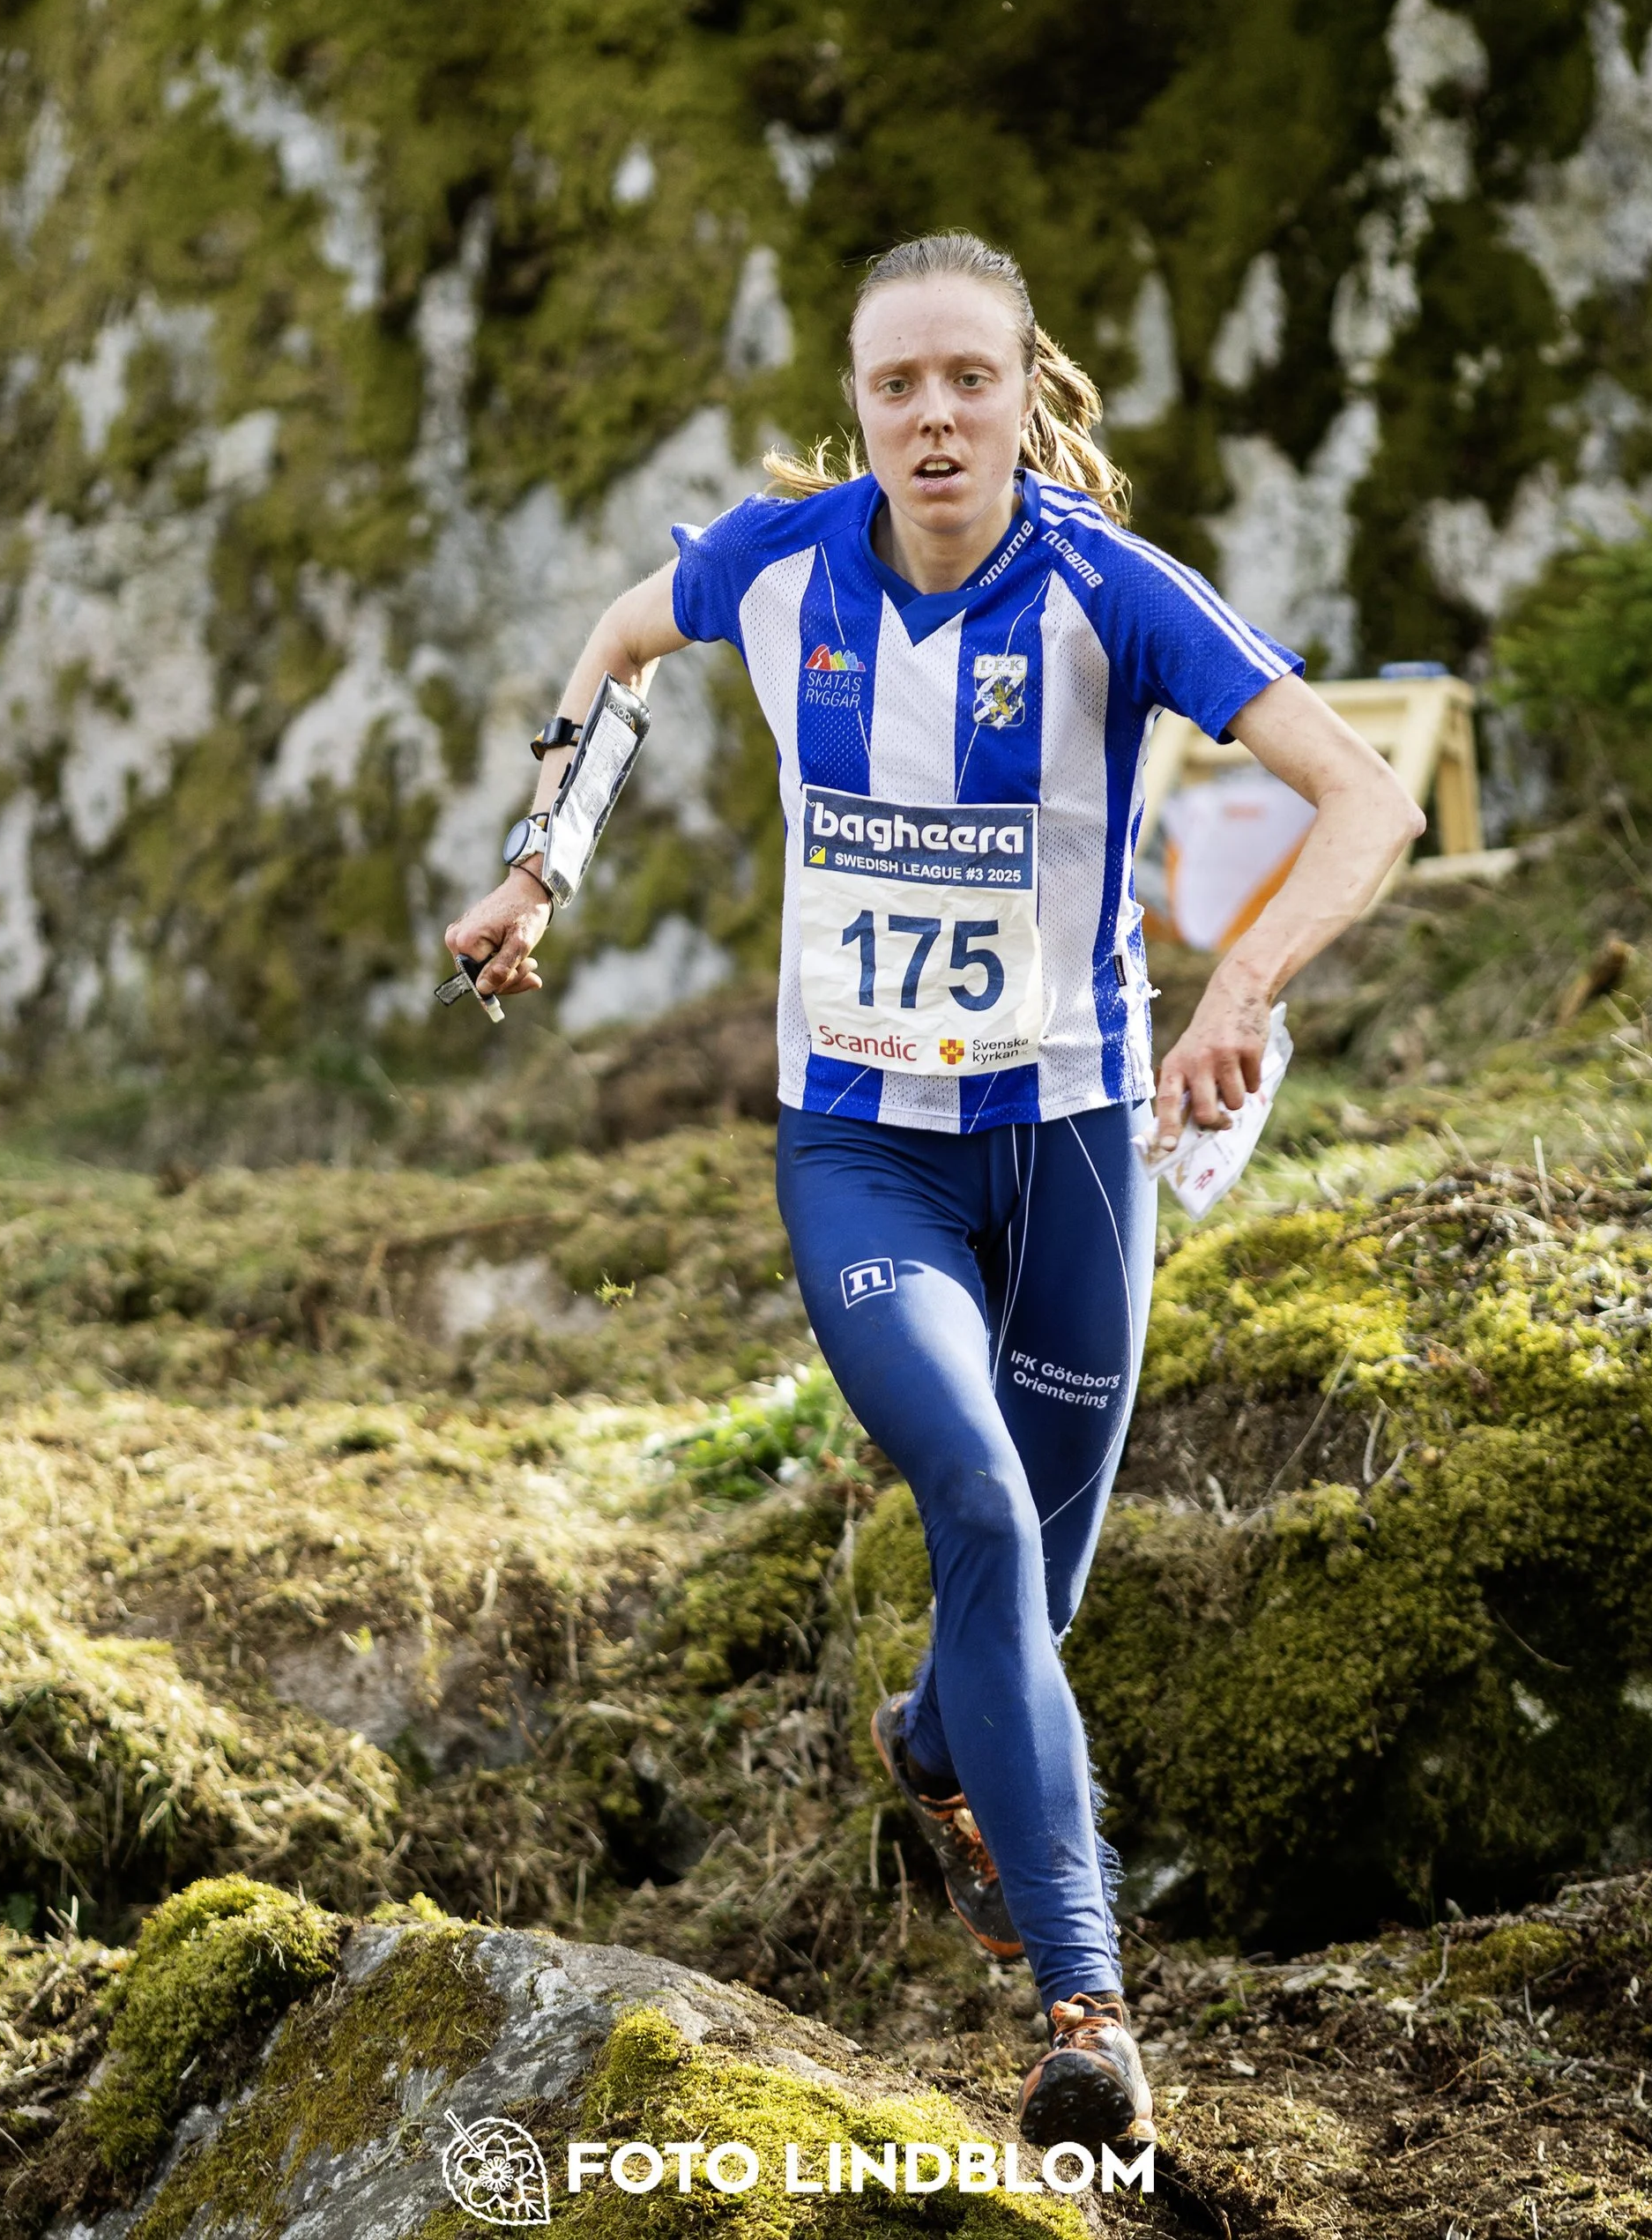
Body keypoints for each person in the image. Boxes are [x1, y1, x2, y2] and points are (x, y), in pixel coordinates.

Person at [446, 231, 1424, 2150]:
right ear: (861, 409)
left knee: (1018, 1594)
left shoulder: (1110, 590)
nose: (932, 414)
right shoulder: (781, 559)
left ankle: (930, 1744)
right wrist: (538, 866)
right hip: (861, 1148)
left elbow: (1366, 796)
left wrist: (1236, 982)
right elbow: (615, 647)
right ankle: (1087, 2012)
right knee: (966, 1493)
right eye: (895, 384)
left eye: (966, 376)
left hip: (1069, 1152)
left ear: (1016, 385)